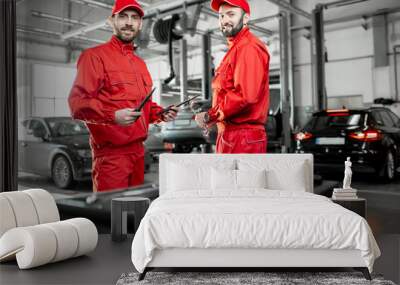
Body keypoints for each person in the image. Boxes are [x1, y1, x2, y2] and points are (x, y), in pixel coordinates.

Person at [68, 0, 178, 192]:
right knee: (113, 215)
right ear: (112, 21)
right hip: (111, 157)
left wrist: (161, 113)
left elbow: (143, 106)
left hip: (138, 153)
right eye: (123, 16)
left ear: (140, 24)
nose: (129, 22)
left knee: (133, 213)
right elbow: (78, 103)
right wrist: (113, 116)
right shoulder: (94, 57)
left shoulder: (140, 64)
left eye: (134, 18)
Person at [194, 0, 270, 153]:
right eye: (221, 16)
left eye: (231, 14)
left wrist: (210, 115)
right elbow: (228, 91)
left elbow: (245, 96)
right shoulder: (235, 49)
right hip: (232, 135)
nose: (224, 20)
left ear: (245, 18)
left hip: (242, 137)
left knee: (239, 178)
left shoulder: (248, 47)